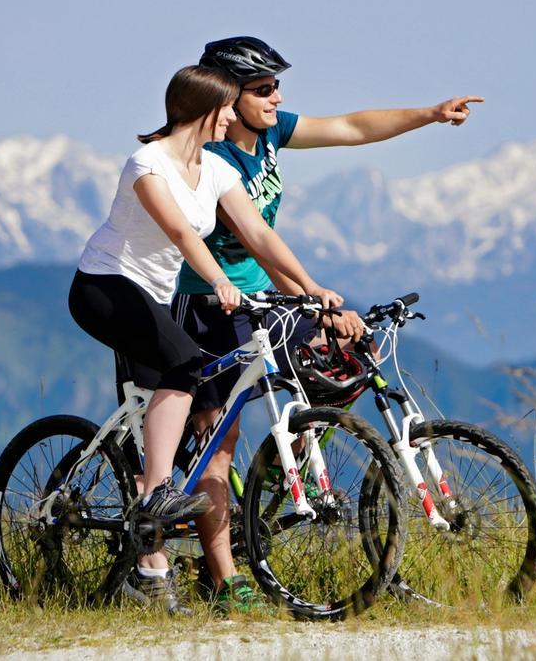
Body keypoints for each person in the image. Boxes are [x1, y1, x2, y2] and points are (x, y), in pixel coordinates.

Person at [167, 35, 484, 614]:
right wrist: (313, 296)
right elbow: (256, 243)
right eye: (262, 89)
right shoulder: (211, 158)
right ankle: (224, 578)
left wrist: (431, 114)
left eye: (276, 86)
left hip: (265, 294)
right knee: (221, 443)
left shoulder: (268, 134)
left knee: (339, 365)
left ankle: (293, 467)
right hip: (214, 305)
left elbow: (351, 127)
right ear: (227, 96)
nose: (275, 96)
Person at [67, 64, 343, 615]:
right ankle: (158, 490)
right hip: (105, 287)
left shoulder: (213, 170)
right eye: (225, 111)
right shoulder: (148, 163)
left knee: (171, 390)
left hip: (153, 297)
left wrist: (311, 288)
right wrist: (217, 280)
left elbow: (258, 233)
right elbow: (178, 231)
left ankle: (148, 571)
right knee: (185, 363)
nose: (232, 121)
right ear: (203, 112)